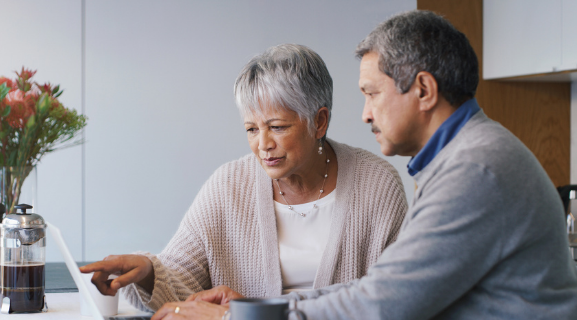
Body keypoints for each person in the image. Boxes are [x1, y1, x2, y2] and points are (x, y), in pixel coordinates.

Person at [173, 10, 577, 320]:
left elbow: (385, 302)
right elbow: (381, 289)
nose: (366, 114)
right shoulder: (468, 155)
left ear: (423, 90)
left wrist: (246, 315)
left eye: (372, 94)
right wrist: (258, 307)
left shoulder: (475, 169)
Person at [80, 44, 408, 317]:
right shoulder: (229, 184)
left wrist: (245, 315)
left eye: (277, 127)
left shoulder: (377, 184)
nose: (262, 144)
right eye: (252, 129)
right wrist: (149, 271)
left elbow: (392, 299)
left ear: (319, 122)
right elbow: (183, 275)